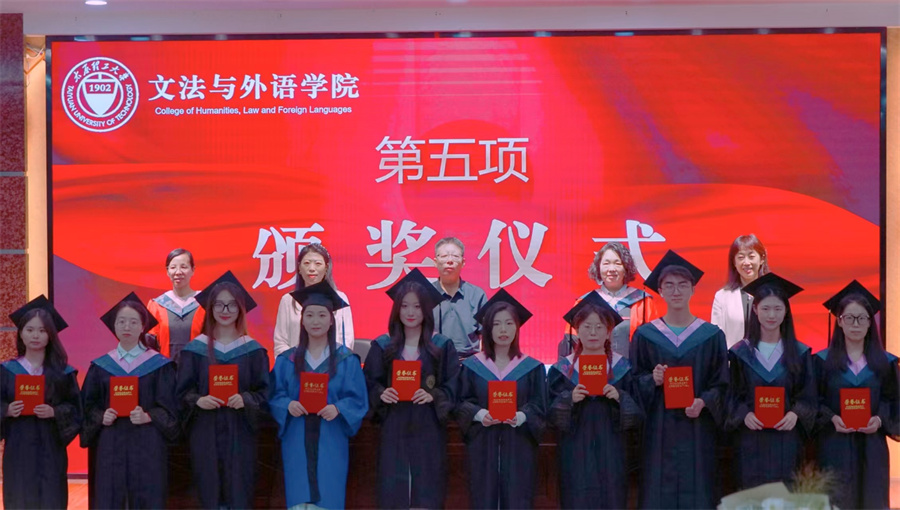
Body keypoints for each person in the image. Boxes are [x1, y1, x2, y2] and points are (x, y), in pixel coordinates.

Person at [629, 250, 728, 509]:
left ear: (693, 290)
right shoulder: (645, 335)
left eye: (683, 285)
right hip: (658, 429)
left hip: (697, 430)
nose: (676, 291)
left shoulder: (711, 335)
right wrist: (651, 380)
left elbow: (722, 383)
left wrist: (704, 401)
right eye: (669, 285)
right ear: (660, 291)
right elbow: (632, 382)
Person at [363, 268, 460, 508]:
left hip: (427, 428)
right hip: (393, 427)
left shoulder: (441, 346)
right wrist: (381, 393)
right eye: (404, 306)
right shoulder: (382, 346)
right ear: (397, 308)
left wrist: (433, 395)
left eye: (417, 306)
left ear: (426, 309)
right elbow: (369, 383)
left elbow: (453, 386)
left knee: (426, 488)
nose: (410, 312)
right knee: (393, 490)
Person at [269, 281, 368, 509]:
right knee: (299, 497)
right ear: (302, 320)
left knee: (328, 495)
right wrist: (287, 405)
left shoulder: (346, 360)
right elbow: (274, 394)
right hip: (296, 438)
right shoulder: (287, 360)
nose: (316, 321)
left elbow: (358, 399)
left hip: (331, 438)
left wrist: (339, 408)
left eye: (322, 315)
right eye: (310, 315)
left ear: (331, 320)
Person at [175, 272, 270, 509]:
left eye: (231, 304)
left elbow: (265, 393)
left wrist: (246, 399)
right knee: (207, 486)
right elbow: (180, 393)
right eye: (218, 304)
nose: (225, 310)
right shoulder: (194, 351)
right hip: (204, 430)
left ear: (240, 309)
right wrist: (198, 400)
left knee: (240, 488)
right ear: (210, 308)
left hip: (241, 431)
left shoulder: (253, 351)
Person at [81, 293, 180, 508]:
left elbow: (172, 409)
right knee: (110, 497)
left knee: (148, 495)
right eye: (122, 321)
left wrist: (149, 416)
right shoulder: (101, 366)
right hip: (111, 443)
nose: (127, 326)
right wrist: (101, 416)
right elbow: (86, 407)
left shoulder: (159, 366)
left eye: (134, 322)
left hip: (148, 442)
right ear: (114, 326)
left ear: (143, 327)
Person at [548, 292, 642, 509]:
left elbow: (638, 412)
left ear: (609, 332)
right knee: (576, 495)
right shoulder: (562, 369)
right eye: (587, 327)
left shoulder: (622, 368)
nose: (593, 333)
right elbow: (549, 412)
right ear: (576, 330)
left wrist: (620, 397)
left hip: (612, 447)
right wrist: (568, 399)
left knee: (612, 494)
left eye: (599, 327)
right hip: (575, 448)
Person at [455, 289, 548, 509]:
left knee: (518, 497)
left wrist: (522, 416)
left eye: (509, 323)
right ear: (487, 329)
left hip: (519, 446)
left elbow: (540, 405)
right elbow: (460, 402)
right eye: (496, 324)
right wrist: (480, 414)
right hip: (483, 445)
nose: (503, 330)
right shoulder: (472, 366)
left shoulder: (532, 368)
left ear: (517, 327)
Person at [725, 273, 816, 490]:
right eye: (766, 308)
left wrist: (795, 414)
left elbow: (809, 395)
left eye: (777, 308)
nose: (771, 315)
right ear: (755, 310)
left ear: (786, 311)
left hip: (787, 441)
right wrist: (744, 414)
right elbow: (730, 395)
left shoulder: (800, 354)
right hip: (750, 440)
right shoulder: (740, 353)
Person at [814, 281, 899, 509]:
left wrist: (879, 419)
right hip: (834, 446)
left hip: (872, 447)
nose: (855, 324)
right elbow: (814, 402)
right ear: (839, 321)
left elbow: (894, 401)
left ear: (870, 322)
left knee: (873, 500)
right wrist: (832, 418)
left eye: (862, 318)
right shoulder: (822, 362)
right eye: (849, 318)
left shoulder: (886, 363)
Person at [1, 296, 82, 509]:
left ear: (50, 335)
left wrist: (54, 412)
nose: (35, 335)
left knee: (51, 497)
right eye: (29, 330)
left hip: (50, 448)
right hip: (18, 448)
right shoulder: (6, 371)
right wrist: (6, 410)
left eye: (42, 330)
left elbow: (77, 410)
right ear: (21, 333)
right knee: (19, 495)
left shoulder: (63, 373)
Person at [560, 242, 658, 358]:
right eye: (606, 263)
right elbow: (571, 344)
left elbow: (654, 343)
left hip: (632, 367)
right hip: (593, 367)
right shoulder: (584, 303)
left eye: (618, 263)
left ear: (626, 268)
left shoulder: (642, 301)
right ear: (598, 268)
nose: (611, 269)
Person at [274, 243, 354, 356]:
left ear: (326, 268)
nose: (312, 269)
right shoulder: (288, 300)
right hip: (295, 363)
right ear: (299, 268)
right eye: (306, 263)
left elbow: (346, 339)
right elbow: (280, 342)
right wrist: (297, 362)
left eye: (318, 264)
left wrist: (324, 361)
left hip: (332, 363)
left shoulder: (340, 298)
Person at [432, 237, 487, 359]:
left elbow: (486, 334)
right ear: (435, 262)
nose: (449, 260)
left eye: (455, 256)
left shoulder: (476, 294)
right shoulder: (424, 293)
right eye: (444, 256)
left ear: (463, 262)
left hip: (469, 362)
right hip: (434, 362)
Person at [147, 248, 206, 363]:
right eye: (173, 267)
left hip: (198, 370)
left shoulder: (204, 303)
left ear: (193, 270)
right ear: (167, 271)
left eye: (184, 267)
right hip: (165, 370)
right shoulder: (157, 305)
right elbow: (149, 346)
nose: (178, 272)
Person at [711, 234, 770, 348]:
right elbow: (716, 339)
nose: (746, 262)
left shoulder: (774, 294)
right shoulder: (722, 297)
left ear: (762, 259)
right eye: (741, 257)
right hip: (733, 358)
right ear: (734, 262)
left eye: (751, 256)